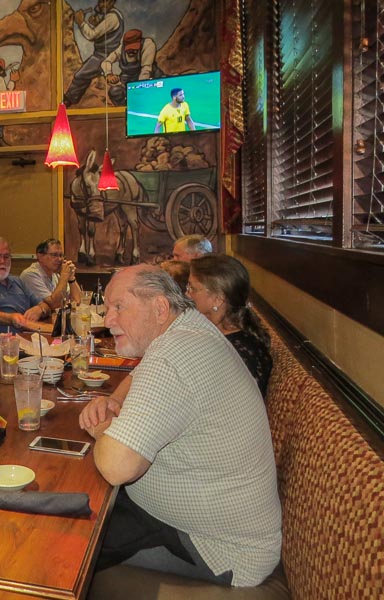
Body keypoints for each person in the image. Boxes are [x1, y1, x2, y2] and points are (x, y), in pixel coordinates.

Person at [79, 265, 281, 587]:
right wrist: (115, 403)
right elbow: (140, 374)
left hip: (215, 549)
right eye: (107, 309)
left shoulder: (173, 356)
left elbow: (117, 467)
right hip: (197, 525)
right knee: (76, 504)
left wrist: (105, 429)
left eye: (119, 307)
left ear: (159, 308)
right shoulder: (188, 328)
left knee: (67, 542)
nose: (108, 320)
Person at [187, 255, 273, 396]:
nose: (187, 294)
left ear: (217, 300)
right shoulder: (213, 331)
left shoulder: (239, 353)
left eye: (193, 288)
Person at [0, 237, 51, 335]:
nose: (2, 261)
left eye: (6, 256)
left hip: (31, 338)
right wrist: (12, 318)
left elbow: (46, 305)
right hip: (4, 344)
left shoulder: (17, 281)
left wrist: (40, 309)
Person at [63, 0, 123, 108]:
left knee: (80, 75)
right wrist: (95, 24)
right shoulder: (111, 16)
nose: (100, 5)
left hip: (104, 56)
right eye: (100, 2)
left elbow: (92, 35)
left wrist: (81, 22)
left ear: (111, 2)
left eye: (103, 2)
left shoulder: (112, 18)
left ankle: (69, 100)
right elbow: (104, 32)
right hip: (102, 54)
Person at [101, 29, 164, 106]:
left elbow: (146, 70)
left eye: (134, 48)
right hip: (128, 80)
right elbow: (106, 62)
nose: (131, 51)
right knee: (115, 92)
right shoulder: (121, 49)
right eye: (129, 49)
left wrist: (139, 89)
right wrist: (109, 74)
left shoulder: (148, 45)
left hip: (149, 79)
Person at [20, 238, 82, 310]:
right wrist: (64, 275)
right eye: (54, 255)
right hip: (32, 320)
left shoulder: (55, 273)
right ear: (40, 256)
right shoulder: (30, 275)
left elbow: (77, 301)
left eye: (61, 255)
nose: (59, 259)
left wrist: (71, 278)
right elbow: (54, 304)